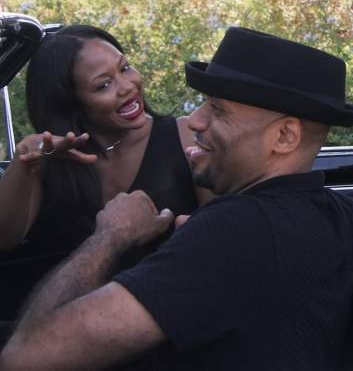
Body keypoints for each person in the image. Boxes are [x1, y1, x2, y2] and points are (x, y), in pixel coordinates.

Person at [0, 27, 353, 370]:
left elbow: (24, 357)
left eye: (218, 111)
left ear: (285, 137)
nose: (195, 121)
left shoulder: (225, 237)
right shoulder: (334, 215)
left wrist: (113, 235)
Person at [0, 25, 213, 319]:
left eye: (125, 67)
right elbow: (5, 240)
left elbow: (220, 241)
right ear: (70, 103)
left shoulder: (186, 137)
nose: (127, 86)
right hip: (58, 330)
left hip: (166, 323)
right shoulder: (46, 160)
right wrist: (24, 163)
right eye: (104, 85)